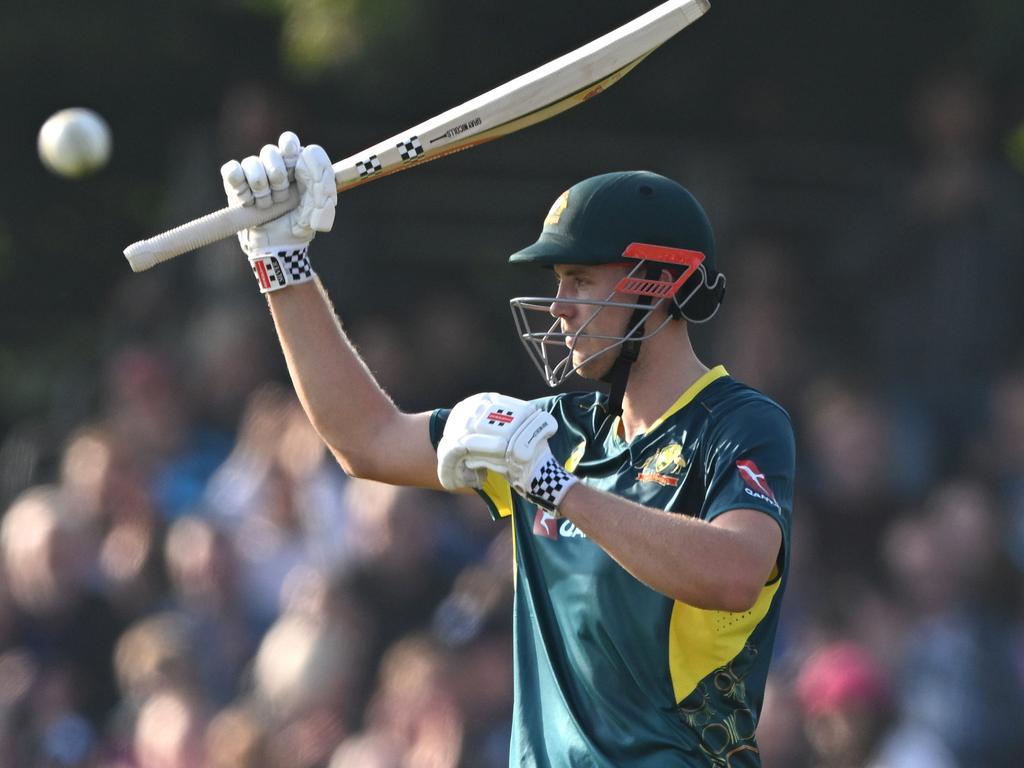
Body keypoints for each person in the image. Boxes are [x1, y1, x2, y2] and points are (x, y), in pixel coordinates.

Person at [219, 131, 795, 767]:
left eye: (579, 279)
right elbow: (368, 441)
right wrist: (281, 263)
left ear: (657, 285)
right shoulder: (546, 432)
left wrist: (559, 491)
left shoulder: (741, 423)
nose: (559, 307)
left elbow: (738, 571)